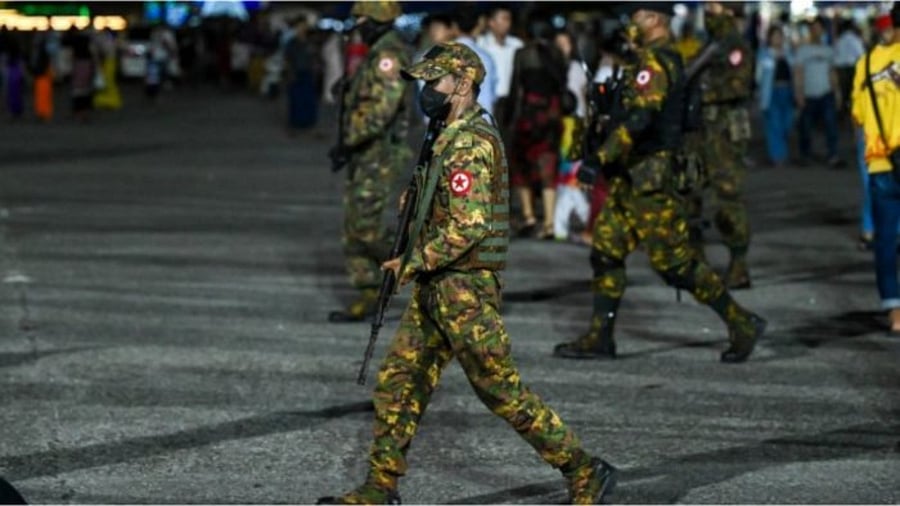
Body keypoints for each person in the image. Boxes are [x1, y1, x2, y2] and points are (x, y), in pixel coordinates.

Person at [316, 41, 617, 505]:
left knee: (500, 390)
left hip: (465, 289)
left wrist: (411, 263)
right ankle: (381, 486)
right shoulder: (445, 132)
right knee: (399, 382)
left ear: (463, 83)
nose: (426, 91)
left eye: (434, 82)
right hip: (439, 287)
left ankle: (583, 468)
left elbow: (470, 225)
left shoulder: (472, 142)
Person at [552, 3, 766, 364]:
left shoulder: (656, 62)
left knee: (676, 265)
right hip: (629, 178)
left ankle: (741, 322)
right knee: (605, 252)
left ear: (653, 19)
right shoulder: (645, 59)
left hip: (651, 180)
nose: (630, 25)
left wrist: (598, 158)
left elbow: (641, 118)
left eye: (635, 17)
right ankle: (600, 336)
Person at [327, 1, 412, 323]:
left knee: (366, 229)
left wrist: (347, 139)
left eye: (361, 20)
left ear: (377, 20)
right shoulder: (376, 52)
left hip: (379, 153)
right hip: (365, 152)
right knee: (354, 228)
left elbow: (380, 112)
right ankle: (369, 290)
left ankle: (427, 268)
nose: (357, 26)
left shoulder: (388, 56)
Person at [687, 1, 755, 289]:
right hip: (699, 131)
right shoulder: (708, 46)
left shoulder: (735, 46)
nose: (708, 11)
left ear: (728, 10)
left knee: (727, 201)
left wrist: (705, 92)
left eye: (713, 6)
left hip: (724, 134)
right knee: (689, 194)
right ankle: (695, 262)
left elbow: (740, 86)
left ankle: (738, 265)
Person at [850, 8, 900, 333]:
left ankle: (895, 310)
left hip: (881, 162)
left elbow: (857, 114)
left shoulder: (865, 64)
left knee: (885, 239)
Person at [508, 14, 568, 239]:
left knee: (521, 165)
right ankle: (550, 222)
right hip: (552, 116)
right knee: (548, 166)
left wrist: (507, 118)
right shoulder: (556, 54)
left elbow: (516, 88)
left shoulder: (523, 54)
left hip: (529, 116)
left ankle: (529, 215)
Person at [794, 16, 843, 167]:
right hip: (809, 94)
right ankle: (805, 154)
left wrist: (837, 93)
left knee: (831, 125)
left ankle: (833, 155)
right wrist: (799, 94)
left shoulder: (828, 51)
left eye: (818, 28)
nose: (816, 31)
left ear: (823, 30)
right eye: (813, 28)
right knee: (806, 127)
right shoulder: (803, 51)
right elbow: (798, 73)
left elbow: (832, 73)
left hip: (826, 93)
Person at [756, 25, 795, 168]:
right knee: (774, 124)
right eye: (774, 36)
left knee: (787, 123)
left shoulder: (789, 53)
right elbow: (759, 76)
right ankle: (778, 156)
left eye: (779, 36)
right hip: (771, 92)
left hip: (787, 91)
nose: (777, 39)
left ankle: (781, 152)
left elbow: (795, 70)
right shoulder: (764, 54)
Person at [478, 5, 523, 120]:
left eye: (509, 19)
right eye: (504, 19)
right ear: (491, 22)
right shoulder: (481, 45)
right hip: (488, 102)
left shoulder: (517, 45)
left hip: (511, 103)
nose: (507, 23)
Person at [454, 6, 498, 113]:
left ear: (454, 26)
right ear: (477, 25)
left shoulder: (442, 55)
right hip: (477, 122)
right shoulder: (485, 58)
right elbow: (488, 96)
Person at [283, 18, 317, 131]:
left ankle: (308, 122)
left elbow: (315, 58)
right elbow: (287, 59)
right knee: (296, 99)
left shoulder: (310, 42)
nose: (302, 29)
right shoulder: (292, 43)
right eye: (300, 27)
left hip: (308, 73)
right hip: (296, 73)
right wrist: (289, 72)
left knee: (308, 99)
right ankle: (295, 122)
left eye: (304, 26)